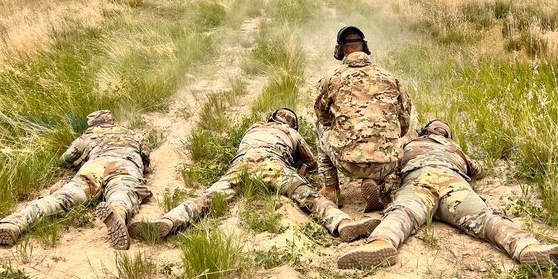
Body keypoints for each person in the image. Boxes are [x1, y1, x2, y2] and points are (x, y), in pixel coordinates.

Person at [129, 108, 379, 242]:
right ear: (292, 124)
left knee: (207, 197)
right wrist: (299, 167)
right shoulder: (291, 133)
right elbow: (312, 163)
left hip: (243, 163)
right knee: (309, 197)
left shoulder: (254, 127)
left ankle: (169, 221)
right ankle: (344, 223)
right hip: (274, 165)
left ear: (270, 118)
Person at [337, 120, 558, 269]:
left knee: (406, 213)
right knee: (405, 213)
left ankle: (528, 248)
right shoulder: (441, 146)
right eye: (436, 125)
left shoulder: (420, 145)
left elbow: (389, 164)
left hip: (433, 179)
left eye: (442, 126)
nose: (439, 126)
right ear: (426, 131)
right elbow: (477, 169)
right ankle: (380, 245)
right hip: (436, 179)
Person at [0, 110, 151, 249]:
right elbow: (146, 159)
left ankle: (14, 222)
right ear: (111, 121)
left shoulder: (87, 136)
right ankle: (117, 213)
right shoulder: (134, 135)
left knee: (62, 197)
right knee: (122, 193)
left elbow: (66, 158)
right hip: (124, 165)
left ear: (91, 124)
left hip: (93, 167)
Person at [314, 26, 411, 213]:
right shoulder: (390, 77)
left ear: (340, 50)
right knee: (387, 135)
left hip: (348, 164)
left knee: (319, 128)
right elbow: (404, 122)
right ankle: (372, 179)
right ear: (365, 48)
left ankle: (331, 189)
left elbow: (323, 117)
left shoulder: (332, 77)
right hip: (387, 164)